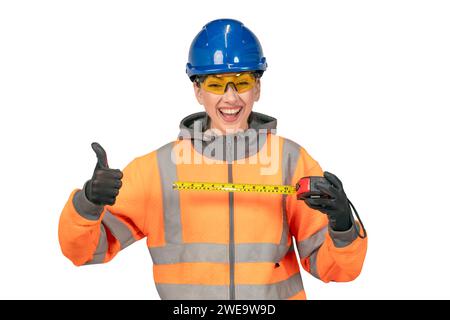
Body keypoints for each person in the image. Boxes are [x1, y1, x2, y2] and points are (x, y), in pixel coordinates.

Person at [58, 18, 368, 300]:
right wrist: (88, 203)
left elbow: (338, 271)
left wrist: (343, 225)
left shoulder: (290, 161)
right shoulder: (156, 170)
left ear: (257, 88)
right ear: (197, 90)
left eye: (242, 82)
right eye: (216, 84)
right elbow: (83, 252)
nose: (231, 98)